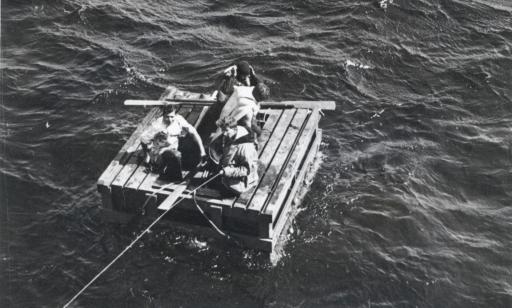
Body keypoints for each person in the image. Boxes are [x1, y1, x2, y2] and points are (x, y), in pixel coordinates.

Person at [140, 105, 207, 181]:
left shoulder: (178, 119)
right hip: (162, 151)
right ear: (163, 115)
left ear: (175, 115)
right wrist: (147, 156)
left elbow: (194, 132)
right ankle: (175, 177)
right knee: (175, 155)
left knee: (191, 140)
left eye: (172, 117)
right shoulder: (157, 125)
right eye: (167, 117)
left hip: (175, 144)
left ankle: (191, 163)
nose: (169, 119)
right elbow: (143, 139)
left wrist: (202, 151)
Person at [212, 116, 259, 196]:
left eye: (226, 130)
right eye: (222, 130)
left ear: (234, 129)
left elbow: (247, 170)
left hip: (243, 181)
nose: (224, 133)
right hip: (228, 170)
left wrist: (227, 171)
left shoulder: (245, 147)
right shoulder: (230, 134)